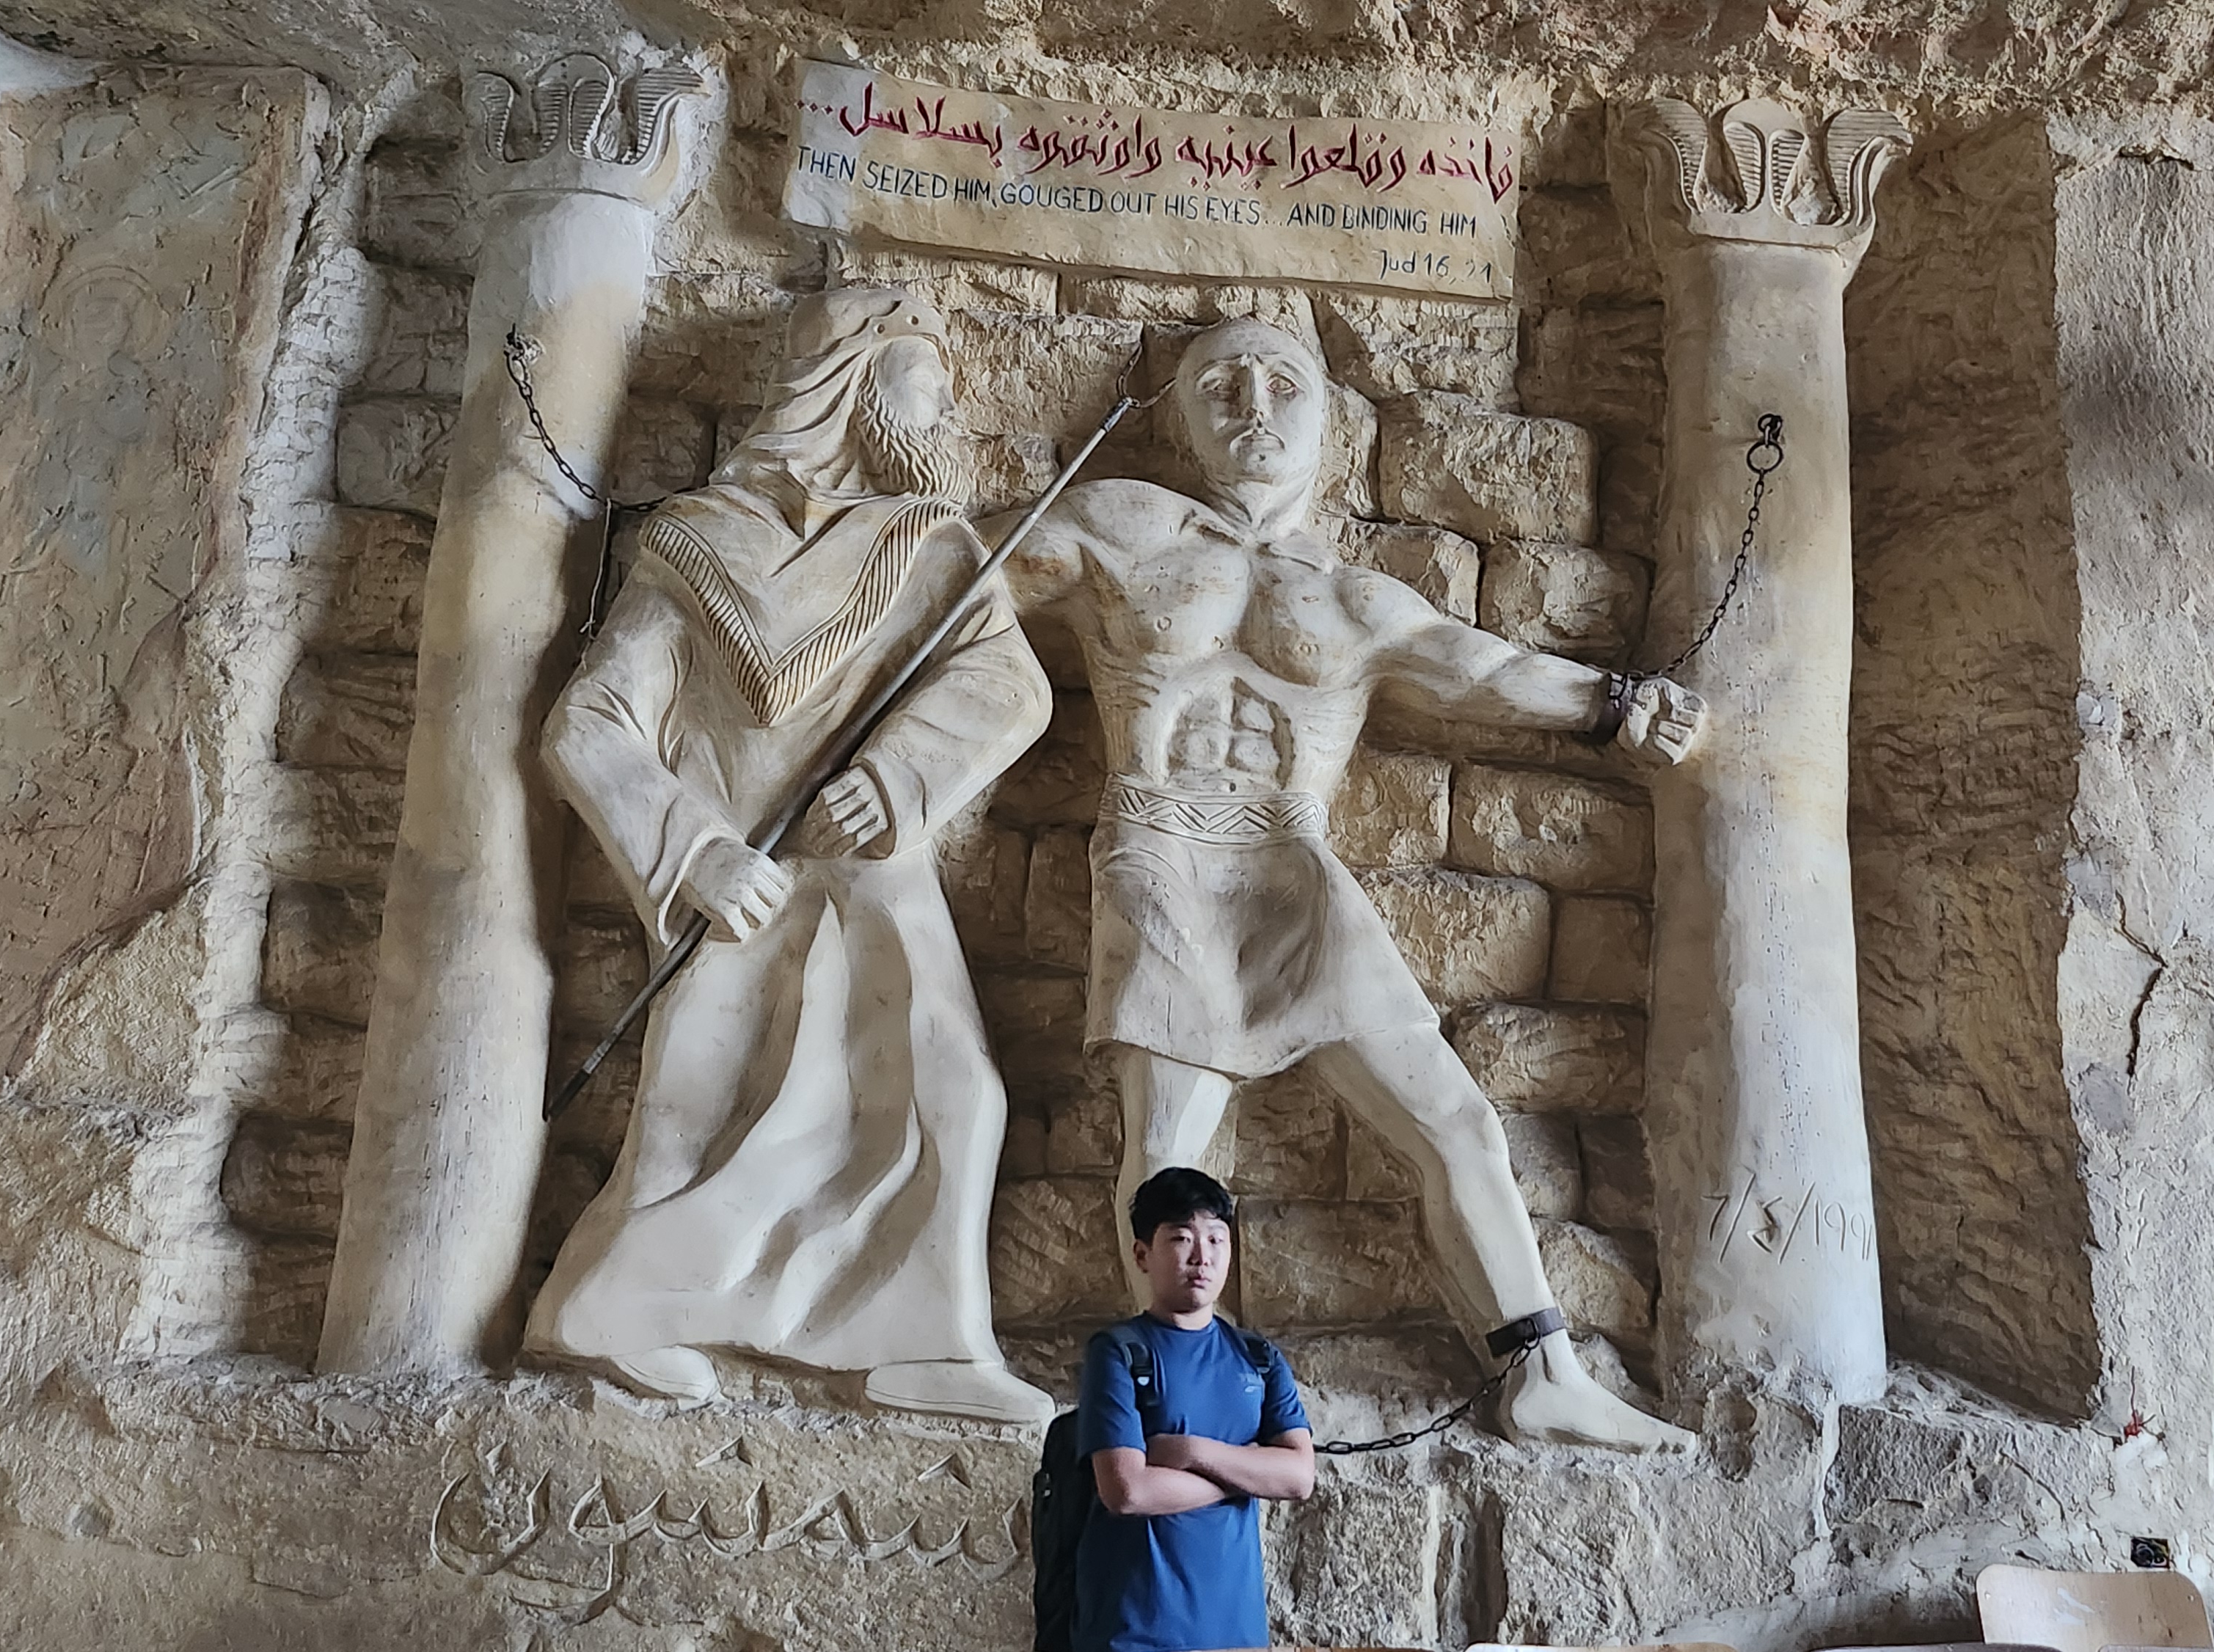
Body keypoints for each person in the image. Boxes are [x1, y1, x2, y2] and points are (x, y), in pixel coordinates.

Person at [1002, 318, 1698, 1451]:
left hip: (1292, 860)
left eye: (1283, 384)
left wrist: (1619, 704)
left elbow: (1485, 669)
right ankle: (1180, 1393)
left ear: (1325, 419)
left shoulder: (1356, 598)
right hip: (1158, 846)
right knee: (1170, 1145)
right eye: (1220, 384)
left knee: (1453, 1118)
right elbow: (963, 591)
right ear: (1180, 417)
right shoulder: (1118, 524)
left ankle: (1544, 1372)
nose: (1252, 405)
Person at [523, 287, 1055, 1422]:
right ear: (850, 384)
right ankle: (614, 1309)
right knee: (713, 1114)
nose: (944, 407)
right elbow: (590, 722)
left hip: (875, 883)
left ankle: (927, 1342)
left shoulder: (931, 547)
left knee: (953, 1093)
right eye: (925, 377)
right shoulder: (698, 543)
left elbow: (1007, 683)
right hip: (746, 889)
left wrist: (899, 776)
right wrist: (691, 853)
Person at [1076, 1168, 1315, 1652]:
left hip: (1237, 1633)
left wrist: (1190, 1452)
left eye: (1216, 1239)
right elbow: (1127, 1491)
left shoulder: (1258, 1357)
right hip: (1135, 1634)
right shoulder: (1120, 1352)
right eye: (1182, 1238)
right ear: (1142, 1254)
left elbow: (1298, 1478)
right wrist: (1249, 1472)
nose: (1202, 1257)